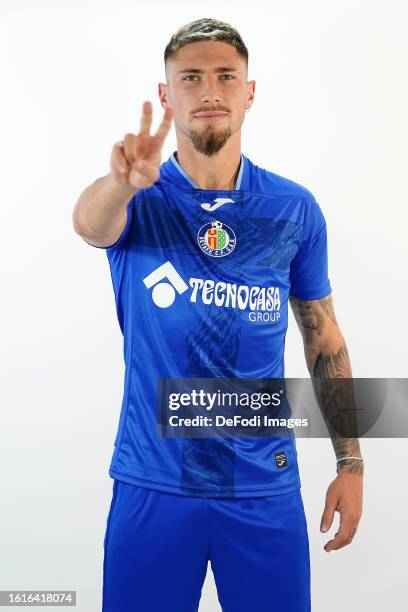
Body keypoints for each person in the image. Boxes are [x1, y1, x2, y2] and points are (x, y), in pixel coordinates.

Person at [72, 17, 364, 612]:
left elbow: (323, 339)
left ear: (249, 91)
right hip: (153, 484)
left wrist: (351, 462)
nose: (209, 91)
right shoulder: (138, 199)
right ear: (166, 94)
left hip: (262, 488)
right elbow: (89, 224)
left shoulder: (292, 208)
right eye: (191, 78)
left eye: (226, 77)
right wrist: (120, 183)